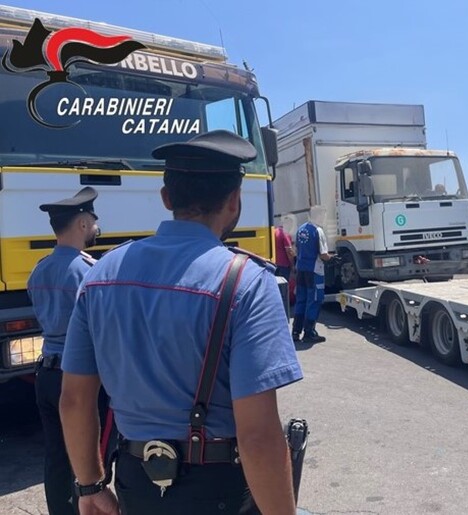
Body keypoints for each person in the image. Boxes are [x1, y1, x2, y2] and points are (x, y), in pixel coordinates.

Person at [59, 130, 303, 515]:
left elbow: (74, 400)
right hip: (219, 490)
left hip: (136, 484)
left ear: (167, 198)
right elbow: (257, 435)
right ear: (235, 201)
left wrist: (90, 485)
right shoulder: (247, 282)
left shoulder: (101, 275)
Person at [27, 187, 102, 515]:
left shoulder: (39, 269)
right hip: (78, 377)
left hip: (45, 373)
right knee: (89, 456)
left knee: (56, 456)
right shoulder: (88, 271)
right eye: (94, 222)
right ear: (83, 224)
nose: (98, 229)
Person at [292, 205, 331, 343]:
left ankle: (296, 332)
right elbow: (323, 254)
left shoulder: (301, 229)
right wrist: (332, 258)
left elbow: (295, 250)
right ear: (318, 216)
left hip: (301, 270)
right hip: (314, 270)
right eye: (323, 215)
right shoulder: (317, 230)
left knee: (301, 300)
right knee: (314, 300)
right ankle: (309, 332)